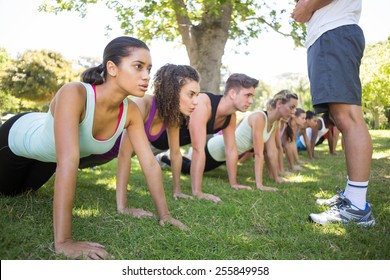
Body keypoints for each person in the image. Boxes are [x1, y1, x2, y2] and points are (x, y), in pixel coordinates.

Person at [0, 36, 186, 260]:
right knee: (6, 192)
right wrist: (64, 242)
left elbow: (149, 164)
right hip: (16, 139)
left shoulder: (131, 112)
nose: (146, 76)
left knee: (22, 194)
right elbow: (68, 161)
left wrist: (164, 214)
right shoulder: (75, 93)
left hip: (46, 159)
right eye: (138, 67)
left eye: (148, 68)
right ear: (112, 68)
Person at [292, 0, 375, 226]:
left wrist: (307, 6)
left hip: (334, 32)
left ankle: (357, 207)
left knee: (348, 117)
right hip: (325, 35)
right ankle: (351, 198)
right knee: (340, 118)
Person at [79, 64, 200, 200]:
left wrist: (177, 190)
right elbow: (124, 154)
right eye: (191, 94)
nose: (196, 102)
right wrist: (122, 206)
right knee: (62, 164)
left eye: (197, 95)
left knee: (81, 166)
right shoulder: (143, 104)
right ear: (172, 91)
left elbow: (176, 153)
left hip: (106, 157)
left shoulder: (171, 117)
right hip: (91, 148)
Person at [161, 90, 298, 192]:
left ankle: (172, 157)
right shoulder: (259, 117)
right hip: (217, 149)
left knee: (191, 165)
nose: (293, 111)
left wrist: (276, 177)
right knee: (189, 169)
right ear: (279, 104)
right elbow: (258, 154)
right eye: (292, 107)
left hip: (227, 152)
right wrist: (260, 185)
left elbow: (271, 152)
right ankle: (164, 158)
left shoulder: (274, 123)